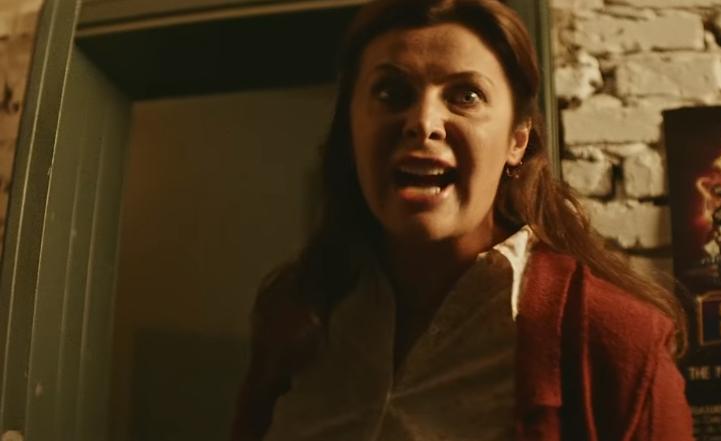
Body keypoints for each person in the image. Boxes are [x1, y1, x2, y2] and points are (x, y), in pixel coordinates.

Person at [232, 0, 694, 439]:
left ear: (517, 140)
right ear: (350, 128)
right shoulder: (295, 311)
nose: (423, 122)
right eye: (391, 92)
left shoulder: (617, 343)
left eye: (465, 95)